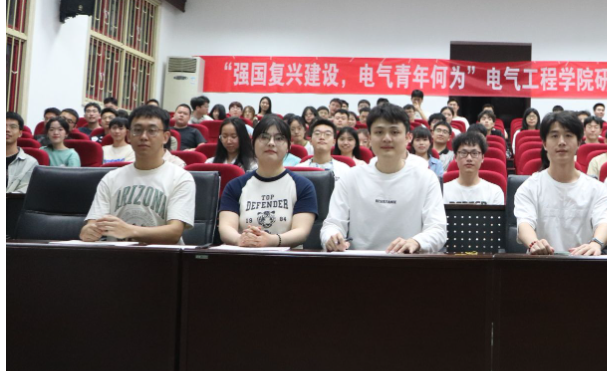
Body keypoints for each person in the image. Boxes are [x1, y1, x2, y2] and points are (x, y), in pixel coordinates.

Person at [321, 104, 447, 253]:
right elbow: (332, 224)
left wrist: (416, 242)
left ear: (408, 137)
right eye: (379, 132)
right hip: (360, 261)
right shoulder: (351, 177)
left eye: (394, 132)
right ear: (369, 138)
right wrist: (332, 237)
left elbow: (438, 230)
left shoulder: (426, 178)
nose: (387, 138)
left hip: (408, 261)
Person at [80, 105, 196, 244]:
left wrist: (129, 230)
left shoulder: (181, 178)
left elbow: (174, 232)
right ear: (129, 136)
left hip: (163, 255)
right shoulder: (111, 178)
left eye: (152, 131)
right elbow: (92, 224)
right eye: (138, 130)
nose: (144, 137)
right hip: (117, 254)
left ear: (165, 137)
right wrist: (88, 231)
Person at [514, 111, 607, 255]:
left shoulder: (597, 188)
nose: (561, 142)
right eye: (554, 136)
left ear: (579, 143)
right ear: (544, 143)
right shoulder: (529, 187)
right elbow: (524, 224)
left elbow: (603, 224)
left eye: (568, 135)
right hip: (542, 261)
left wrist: (595, 244)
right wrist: (534, 243)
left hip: (583, 262)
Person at [218, 116, 318, 248]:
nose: (271, 143)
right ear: (253, 143)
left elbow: (301, 231)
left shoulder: (303, 186)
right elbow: (226, 228)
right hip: (245, 253)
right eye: (264, 137)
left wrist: (271, 240)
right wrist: (240, 239)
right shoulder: (235, 186)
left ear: (288, 146)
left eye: (279, 138)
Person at [444, 132, 504, 205]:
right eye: (463, 153)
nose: (469, 158)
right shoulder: (442, 191)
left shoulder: (494, 192)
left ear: (482, 157)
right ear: (455, 157)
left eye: (474, 153)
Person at [6, 112, 39, 193]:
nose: (7, 130)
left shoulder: (30, 163)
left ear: (20, 133)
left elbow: (24, 193)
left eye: (13, 127)